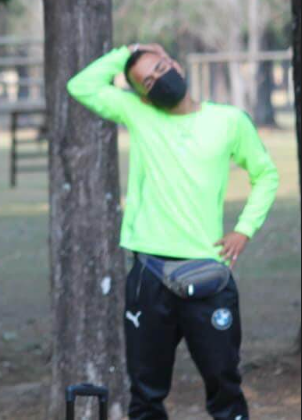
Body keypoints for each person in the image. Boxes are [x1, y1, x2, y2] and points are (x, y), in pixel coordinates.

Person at [67, 43, 279, 420]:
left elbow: (266, 175)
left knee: (225, 386)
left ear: (176, 64)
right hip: (149, 275)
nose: (159, 79)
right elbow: (81, 86)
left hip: (208, 275)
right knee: (146, 394)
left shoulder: (229, 121)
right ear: (142, 94)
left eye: (162, 68)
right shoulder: (139, 112)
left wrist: (244, 230)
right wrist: (128, 52)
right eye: (148, 80)